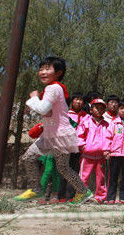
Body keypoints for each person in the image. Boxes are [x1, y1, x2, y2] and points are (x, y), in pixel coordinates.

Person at [16, 57, 92, 203]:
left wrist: (33, 99)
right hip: (50, 134)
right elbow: (48, 112)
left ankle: (82, 192)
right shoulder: (53, 89)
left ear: (58, 73)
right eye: (41, 69)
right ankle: (37, 190)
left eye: (47, 69)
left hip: (59, 135)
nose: (43, 72)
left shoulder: (53, 88)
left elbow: (43, 108)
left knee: (61, 167)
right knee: (31, 158)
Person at [76, 99, 113, 203]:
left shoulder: (107, 124)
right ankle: (81, 196)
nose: (99, 110)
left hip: (101, 156)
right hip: (87, 155)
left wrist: (107, 150)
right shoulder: (86, 122)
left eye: (102, 109)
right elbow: (79, 135)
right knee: (83, 177)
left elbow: (109, 138)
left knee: (101, 178)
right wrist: (82, 147)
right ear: (91, 110)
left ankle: (101, 197)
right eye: (97, 108)